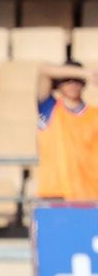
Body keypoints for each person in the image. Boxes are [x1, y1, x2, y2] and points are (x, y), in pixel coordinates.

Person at [35, 63, 98, 202]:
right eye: (66, 80)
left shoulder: (95, 115)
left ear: (83, 84)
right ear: (58, 85)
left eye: (76, 81)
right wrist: (85, 73)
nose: (72, 84)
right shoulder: (49, 110)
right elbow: (44, 71)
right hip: (55, 194)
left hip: (90, 196)